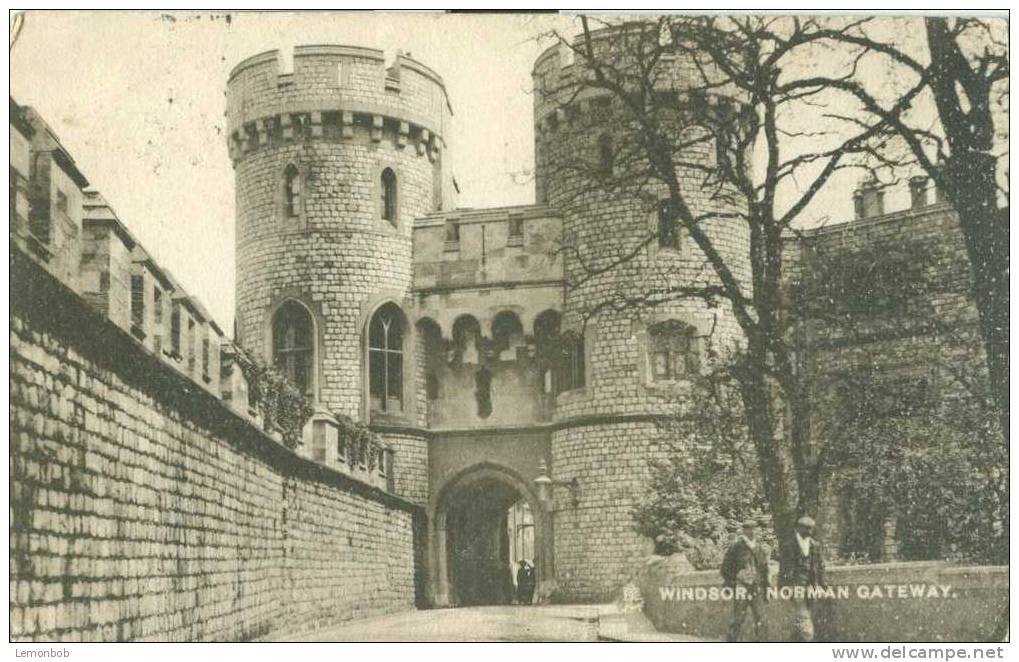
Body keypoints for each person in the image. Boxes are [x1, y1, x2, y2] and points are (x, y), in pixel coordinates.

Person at [721, 519, 770, 641]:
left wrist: (767, 587)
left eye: (755, 529)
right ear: (745, 530)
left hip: (757, 586)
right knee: (738, 618)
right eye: (750, 529)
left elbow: (764, 569)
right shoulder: (736, 546)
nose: (754, 532)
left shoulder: (760, 548)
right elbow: (725, 567)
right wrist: (734, 580)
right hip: (741, 586)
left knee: (760, 617)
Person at [782, 515, 825, 642]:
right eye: (806, 529)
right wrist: (785, 585)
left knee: (802, 617)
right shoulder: (789, 545)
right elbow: (784, 567)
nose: (809, 532)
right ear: (798, 529)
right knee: (804, 616)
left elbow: (820, 566)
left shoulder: (815, 545)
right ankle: (808, 639)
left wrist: (822, 585)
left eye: (811, 529)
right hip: (796, 586)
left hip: (811, 585)